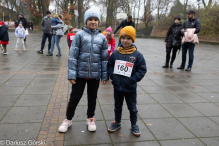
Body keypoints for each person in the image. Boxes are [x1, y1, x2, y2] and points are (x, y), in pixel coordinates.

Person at [58, 8, 108, 133]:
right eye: (90, 19)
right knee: (74, 97)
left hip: (95, 75)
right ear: (86, 21)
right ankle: (68, 119)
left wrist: (104, 76)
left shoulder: (102, 38)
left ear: (98, 22)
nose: (93, 22)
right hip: (80, 74)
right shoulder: (79, 35)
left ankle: (90, 118)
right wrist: (72, 75)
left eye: (95, 20)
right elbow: (73, 56)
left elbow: (104, 59)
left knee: (92, 98)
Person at [108, 26, 146, 136]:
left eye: (128, 38)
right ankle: (117, 122)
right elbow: (110, 65)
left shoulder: (137, 55)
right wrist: (112, 76)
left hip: (130, 87)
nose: (125, 40)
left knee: (132, 108)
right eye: (123, 38)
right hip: (117, 86)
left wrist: (133, 79)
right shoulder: (116, 53)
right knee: (117, 107)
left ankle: (134, 124)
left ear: (132, 40)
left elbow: (142, 69)